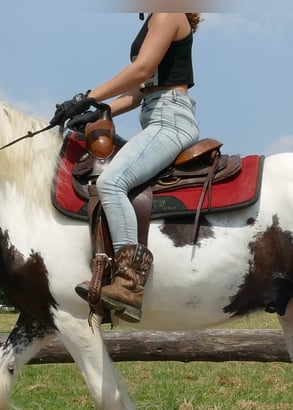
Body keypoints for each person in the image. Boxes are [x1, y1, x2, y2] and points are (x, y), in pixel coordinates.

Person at [52, 13, 202, 323]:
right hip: (156, 113)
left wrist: (85, 97)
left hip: (169, 119)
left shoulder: (168, 12)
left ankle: (129, 284)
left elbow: (141, 70)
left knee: (111, 183)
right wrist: (98, 111)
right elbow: (139, 91)